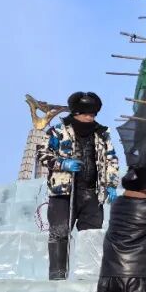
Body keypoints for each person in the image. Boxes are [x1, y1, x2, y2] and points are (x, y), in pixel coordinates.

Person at [41, 92, 120, 280]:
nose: (90, 117)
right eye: (86, 114)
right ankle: (57, 275)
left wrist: (111, 184)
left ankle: (88, 277)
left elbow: (111, 160)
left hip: (92, 193)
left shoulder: (101, 134)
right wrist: (62, 163)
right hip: (63, 193)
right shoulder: (57, 132)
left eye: (93, 114)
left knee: (91, 235)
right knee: (60, 233)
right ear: (76, 113)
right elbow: (43, 155)